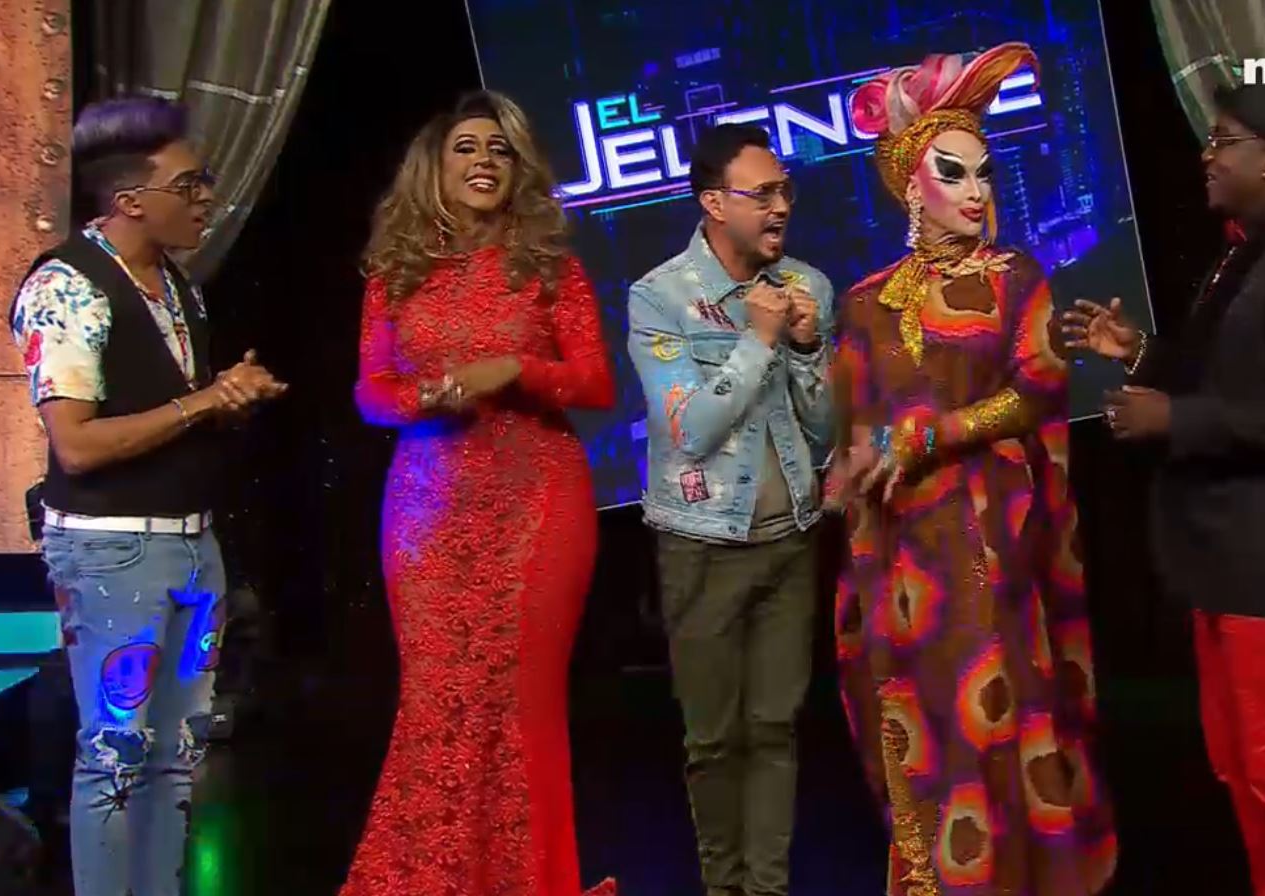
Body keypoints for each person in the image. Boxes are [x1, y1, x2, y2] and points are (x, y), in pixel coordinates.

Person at [1063, 83, 1265, 896]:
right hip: (1231, 565)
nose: (1206, 157)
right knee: (1242, 769)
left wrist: (1175, 418)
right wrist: (1141, 355)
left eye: (1222, 142)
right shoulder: (1255, 250)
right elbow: (1237, 376)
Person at [831, 44, 1118, 895]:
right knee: (928, 717)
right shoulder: (865, 302)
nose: (975, 191)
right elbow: (855, 430)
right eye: (952, 173)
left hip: (996, 536)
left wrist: (932, 435)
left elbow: (1039, 388)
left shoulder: (1015, 278)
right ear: (908, 183)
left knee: (999, 706)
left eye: (983, 174)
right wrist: (853, 470)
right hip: (907, 552)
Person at [9, 97, 288, 896]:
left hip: (194, 549)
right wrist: (203, 401)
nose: (207, 198)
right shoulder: (67, 287)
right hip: (113, 553)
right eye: (189, 183)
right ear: (130, 199)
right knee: (116, 755)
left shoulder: (178, 287)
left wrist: (227, 398)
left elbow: (170, 415)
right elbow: (77, 443)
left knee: (179, 753)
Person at [342, 91, 615, 896]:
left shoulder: (550, 268)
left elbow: (596, 383)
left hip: (537, 502)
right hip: (428, 507)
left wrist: (515, 370)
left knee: (522, 704)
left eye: (499, 150)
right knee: (439, 703)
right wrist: (425, 396)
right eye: (466, 148)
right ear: (434, 167)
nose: (484, 161)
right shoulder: (396, 274)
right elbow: (370, 393)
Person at [626, 123, 835, 896]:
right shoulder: (658, 297)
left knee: (776, 728)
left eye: (786, 191)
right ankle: (723, 887)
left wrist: (807, 349)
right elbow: (690, 429)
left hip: (791, 542)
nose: (782, 207)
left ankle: (767, 889)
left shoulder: (808, 286)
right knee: (713, 740)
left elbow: (824, 432)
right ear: (714, 203)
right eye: (763, 193)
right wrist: (758, 341)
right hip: (702, 545)